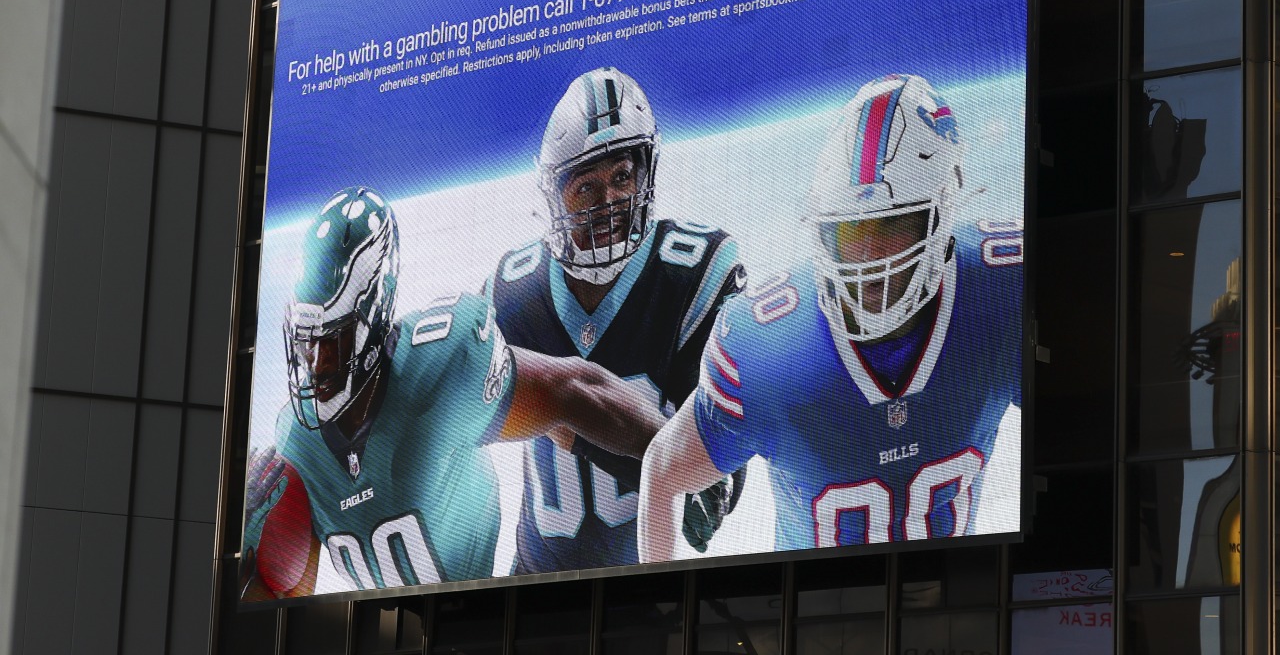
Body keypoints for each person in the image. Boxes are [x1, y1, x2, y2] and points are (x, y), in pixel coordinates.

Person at [638, 73, 1022, 558]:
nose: (869, 256)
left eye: (892, 224)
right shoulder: (766, 348)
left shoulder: (1003, 292)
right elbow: (662, 472)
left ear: (942, 210)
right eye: (850, 231)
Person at [240, 186, 668, 598]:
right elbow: (285, 602)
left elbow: (570, 391)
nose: (314, 362)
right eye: (304, 341)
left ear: (373, 312)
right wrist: (236, 551)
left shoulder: (439, 366)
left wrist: (682, 455)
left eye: (331, 340)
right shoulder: (298, 444)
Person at [488, 67, 746, 572]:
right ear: (554, 195)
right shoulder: (515, 290)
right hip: (534, 584)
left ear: (645, 175)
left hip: (649, 591)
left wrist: (562, 413)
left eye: (622, 177)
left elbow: (710, 500)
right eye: (586, 187)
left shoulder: (694, 274)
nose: (608, 204)